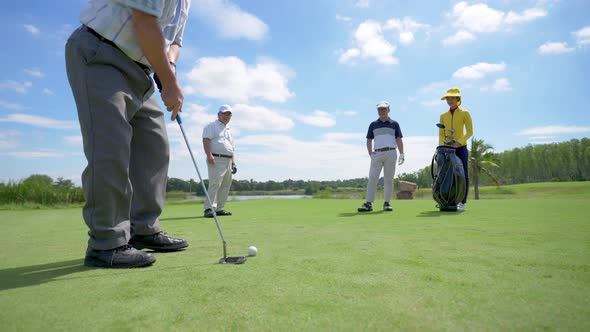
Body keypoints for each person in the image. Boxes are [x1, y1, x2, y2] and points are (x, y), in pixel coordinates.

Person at [65, 0, 191, 268]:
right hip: (102, 52)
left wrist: (168, 65)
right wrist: (169, 82)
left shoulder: (186, 3)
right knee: (110, 150)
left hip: (141, 71)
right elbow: (144, 20)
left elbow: (175, 41)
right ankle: (106, 244)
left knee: (155, 148)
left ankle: (143, 228)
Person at [358, 101, 405, 212]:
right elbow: (369, 140)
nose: (382, 111)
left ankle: (387, 203)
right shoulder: (373, 124)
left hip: (391, 152)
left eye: (384, 109)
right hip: (377, 153)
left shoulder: (395, 124)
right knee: (373, 178)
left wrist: (402, 153)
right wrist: (370, 153)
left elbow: (399, 139)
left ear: (388, 110)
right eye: (380, 109)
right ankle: (369, 203)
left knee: (388, 179)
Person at [439, 87, 473, 211]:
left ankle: (462, 202)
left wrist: (459, 142)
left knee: (463, 174)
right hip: (447, 149)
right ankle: (448, 200)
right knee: (448, 175)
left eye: (452, 97)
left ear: (458, 99)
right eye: (448, 98)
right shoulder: (443, 116)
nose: (450, 100)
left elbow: (470, 132)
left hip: (461, 148)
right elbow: (441, 134)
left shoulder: (465, 113)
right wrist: (442, 147)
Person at [202, 105, 237, 218]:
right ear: (219, 115)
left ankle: (219, 208)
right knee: (215, 183)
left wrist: (233, 162)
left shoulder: (229, 130)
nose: (226, 116)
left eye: (229, 114)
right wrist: (209, 155)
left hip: (228, 160)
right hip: (216, 158)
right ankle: (209, 208)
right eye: (224, 113)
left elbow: (231, 148)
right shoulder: (212, 126)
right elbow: (206, 139)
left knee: (226, 185)